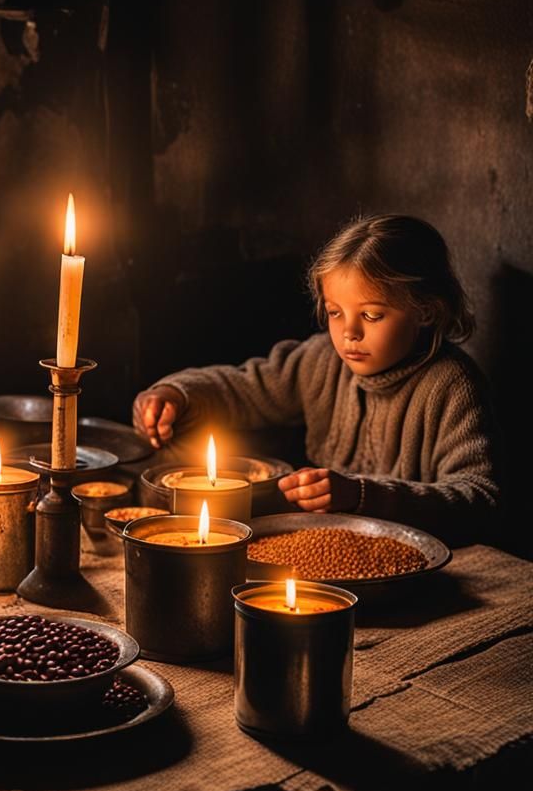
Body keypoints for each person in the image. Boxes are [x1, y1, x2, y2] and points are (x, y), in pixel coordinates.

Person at [132, 214, 502, 546]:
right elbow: (243, 388)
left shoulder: (452, 385)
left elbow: (479, 498)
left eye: (372, 315)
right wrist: (176, 395)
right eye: (335, 313)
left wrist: (361, 496)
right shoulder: (322, 360)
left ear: (426, 311)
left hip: (415, 562)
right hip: (319, 545)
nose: (348, 333)